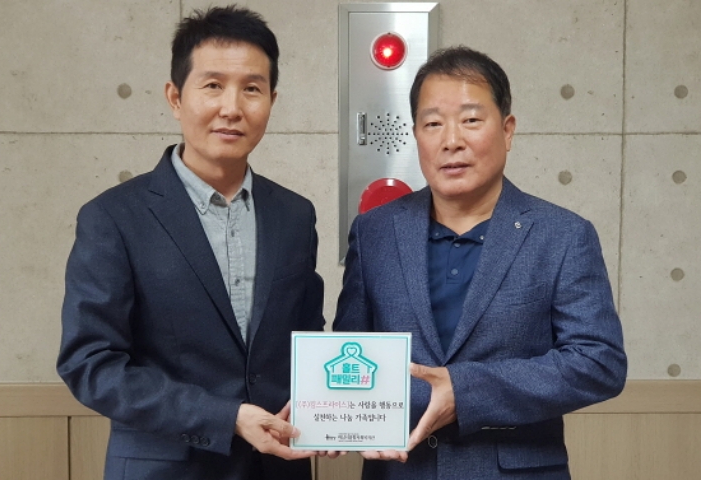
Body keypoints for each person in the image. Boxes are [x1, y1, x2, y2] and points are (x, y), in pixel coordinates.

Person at [333, 46, 627, 479]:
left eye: (471, 120)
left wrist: (466, 391)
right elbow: (351, 350)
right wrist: (331, 415)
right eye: (433, 124)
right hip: (402, 469)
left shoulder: (562, 235)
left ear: (507, 130)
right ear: (416, 135)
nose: (451, 140)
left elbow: (598, 362)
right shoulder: (374, 232)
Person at [57, 6, 324, 480]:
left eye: (252, 89)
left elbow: (306, 341)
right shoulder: (113, 217)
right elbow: (90, 364)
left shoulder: (294, 215)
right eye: (213, 85)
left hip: (278, 468)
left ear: (271, 100)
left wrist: (338, 416)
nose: (232, 108)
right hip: (164, 469)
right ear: (175, 97)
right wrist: (225, 417)